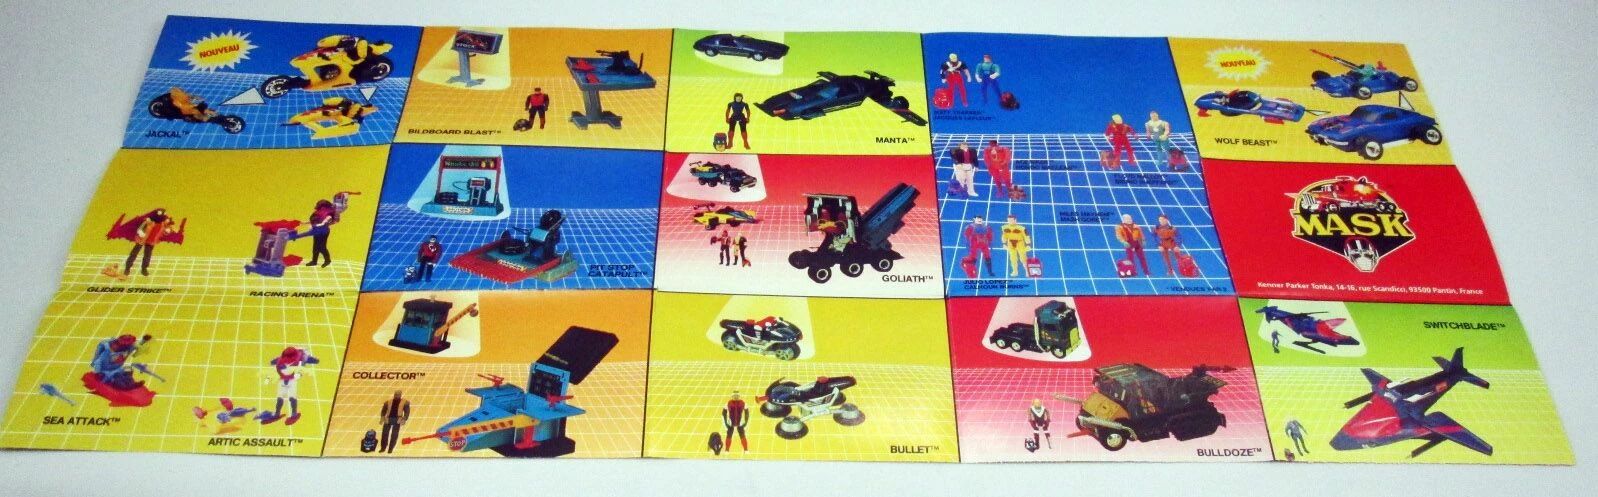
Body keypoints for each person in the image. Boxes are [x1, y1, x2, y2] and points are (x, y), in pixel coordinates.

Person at [264, 347, 319, 426]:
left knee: (292, 397)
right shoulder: (280, 361)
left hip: (291, 381)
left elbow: (304, 366)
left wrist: (299, 374)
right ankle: (277, 413)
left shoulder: (298, 360)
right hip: (283, 380)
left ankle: (293, 414)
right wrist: (268, 378)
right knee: (280, 397)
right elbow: (274, 368)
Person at [123, 208, 178, 277]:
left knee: (147, 254)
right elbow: (141, 227)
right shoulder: (149, 221)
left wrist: (168, 230)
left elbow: (166, 230)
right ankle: (127, 267)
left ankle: (144, 268)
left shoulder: (163, 222)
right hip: (142, 239)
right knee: (134, 253)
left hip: (152, 240)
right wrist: (140, 232)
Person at [305, 200, 336, 268]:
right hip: (317, 231)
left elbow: (324, 222)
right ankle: (314, 261)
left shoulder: (328, 214)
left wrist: (315, 225)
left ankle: (327, 260)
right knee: (315, 247)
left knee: (322, 247)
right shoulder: (317, 212)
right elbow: (315, 220)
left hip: (323, 232)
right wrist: (305, 223)